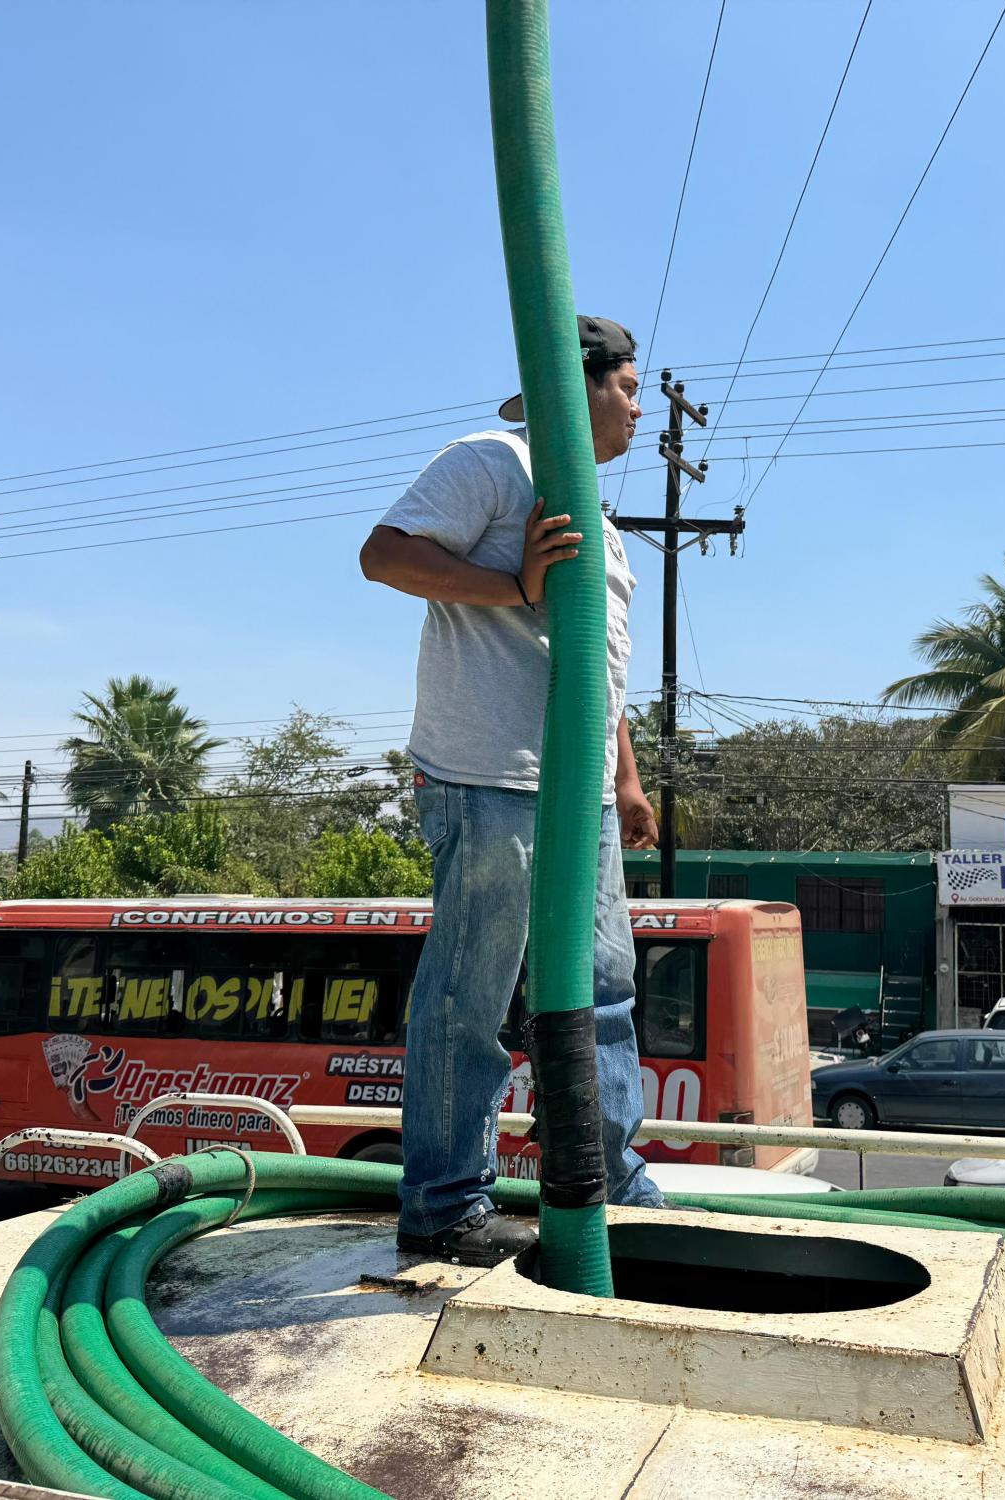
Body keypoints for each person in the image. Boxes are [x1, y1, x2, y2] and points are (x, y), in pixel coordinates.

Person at [360, 313, 668, 1266]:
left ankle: (610, 1175)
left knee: (604, 990)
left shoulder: (602, 524)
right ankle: (446, 1201)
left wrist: (626, 779)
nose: (639, 408)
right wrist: (516, 587)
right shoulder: (495, 460)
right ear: (579, 384)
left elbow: (596, 668)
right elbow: (384, 554)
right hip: (487, 776)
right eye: (628, 388)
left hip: (581, 792)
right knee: (473, 996)